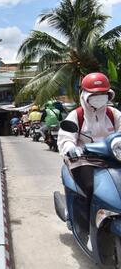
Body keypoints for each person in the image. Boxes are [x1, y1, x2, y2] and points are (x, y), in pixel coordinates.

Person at [57, 72, 121, 250]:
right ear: (85, 95)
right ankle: (89, 230)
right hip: (83, 160)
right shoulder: (76, 115)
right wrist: (71, 147)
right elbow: (65, 138)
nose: (99, 99)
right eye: (95, 95)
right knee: (93, 190)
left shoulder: (113, 113)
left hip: (112, 159)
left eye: (103, 95)